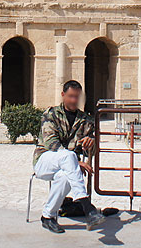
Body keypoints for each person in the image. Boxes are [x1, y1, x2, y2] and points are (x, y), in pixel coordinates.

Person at [32, 80, 106, 233]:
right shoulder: (50, 114)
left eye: (77, 97)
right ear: (63, 95)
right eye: (71, 96)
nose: (73, 100)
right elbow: (51, 143)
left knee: (66, 177)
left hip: (68, 168)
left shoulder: (86, 120)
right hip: (45, 161)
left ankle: (47, 216)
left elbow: (93, 152)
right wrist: (77, 163)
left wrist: (91, 143)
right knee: (69, 156)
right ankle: (87, 206)